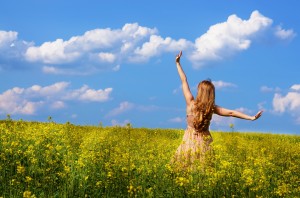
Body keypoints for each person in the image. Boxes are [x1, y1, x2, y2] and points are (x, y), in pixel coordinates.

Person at [173, 51, 263, 165]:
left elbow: (184, 80)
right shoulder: (211, 108)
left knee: (184, 167)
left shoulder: (190, 103)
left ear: (199, 91)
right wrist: (251, 117)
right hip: (203, 143)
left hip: (188, 142)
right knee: (204, 169)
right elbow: (231, 113)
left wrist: (177, 63)